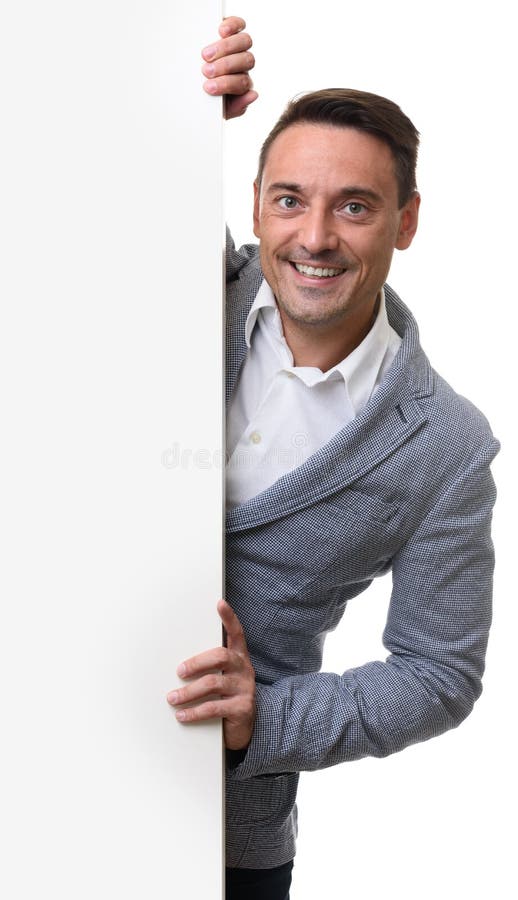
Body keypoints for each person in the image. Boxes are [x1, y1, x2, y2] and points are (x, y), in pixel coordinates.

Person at [167, 17, 499, 900]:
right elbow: (66, 181)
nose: (313, 237)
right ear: (255, 205)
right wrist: (183, 109)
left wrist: (263, 720)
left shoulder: (446, 445)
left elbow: (439, 674)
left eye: (353, 205)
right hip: (48, 760)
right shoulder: (176, 284)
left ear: (407, 220)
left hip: (225, 832)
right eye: (288, 200)